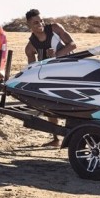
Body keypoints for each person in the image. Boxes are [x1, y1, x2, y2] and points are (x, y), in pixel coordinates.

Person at [23, 9, 76, 147]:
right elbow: (33, 69)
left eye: (41, 20)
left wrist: (56, 55)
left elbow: (72, 44)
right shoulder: (31, 47)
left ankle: (73, 136)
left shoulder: (55, 28)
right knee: (50, 106)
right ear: (29, 25)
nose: (40, 24)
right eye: (36, 22)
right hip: (52, 75)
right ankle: (56, 139)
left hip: (71, 69)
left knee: (72, 105)